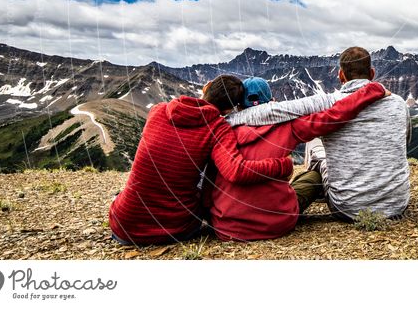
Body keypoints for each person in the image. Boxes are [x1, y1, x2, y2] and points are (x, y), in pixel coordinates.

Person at [228, 46, 411, 221]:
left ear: (341, 75)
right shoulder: (399, 103)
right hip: (397, 205)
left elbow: (272, 111)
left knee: (315, 143)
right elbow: (405, 140)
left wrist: (225, 120)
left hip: (347, 207)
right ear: (371, 74)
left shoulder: (327, 102)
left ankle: (314, 182)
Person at [108, 74, 292, 245]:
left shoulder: (158, 110)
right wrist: (281, 165)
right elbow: (236, 171)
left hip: (122, 225)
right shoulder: (218, 128)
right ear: (229, 109)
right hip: (175, 230)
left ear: (206, 87)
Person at [204, 79, 388, 241]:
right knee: (314, 177)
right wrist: (371, 91)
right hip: (277, 222)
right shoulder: (288, 126)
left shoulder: (221, 131)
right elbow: (333, 116)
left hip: (227, 228)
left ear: (239, 106)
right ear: (271, 102)